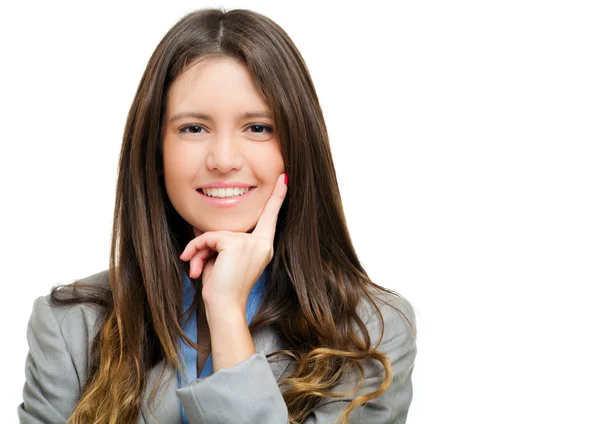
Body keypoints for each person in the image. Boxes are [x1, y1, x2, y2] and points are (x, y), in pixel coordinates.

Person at [17, 7, 417, 424]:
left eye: (258, 127)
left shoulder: (372, 330)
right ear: (156, 151)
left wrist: (225, 312)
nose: (224, 159)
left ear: (297, 147)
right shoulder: (70, 327)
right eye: (193, 128)